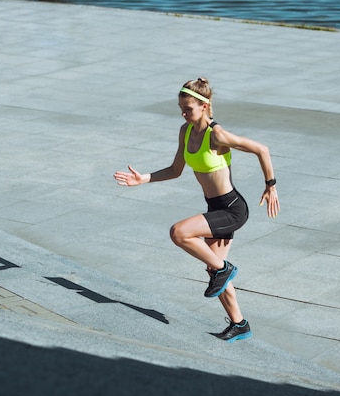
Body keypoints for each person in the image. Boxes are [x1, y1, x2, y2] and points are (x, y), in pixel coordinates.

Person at [113, 77, 280, 343]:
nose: (183, 113)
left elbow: (262, 149)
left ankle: (224, 269)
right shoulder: (186, 131)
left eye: (188, 108)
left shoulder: (218, 135)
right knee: (215, 272)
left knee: (179, 232)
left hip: (232, 209)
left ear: (204, 106)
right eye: (180, 108)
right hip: (215, 207)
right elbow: (175, 170)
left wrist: (270, 185)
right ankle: (240, 324)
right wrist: (143, 178)